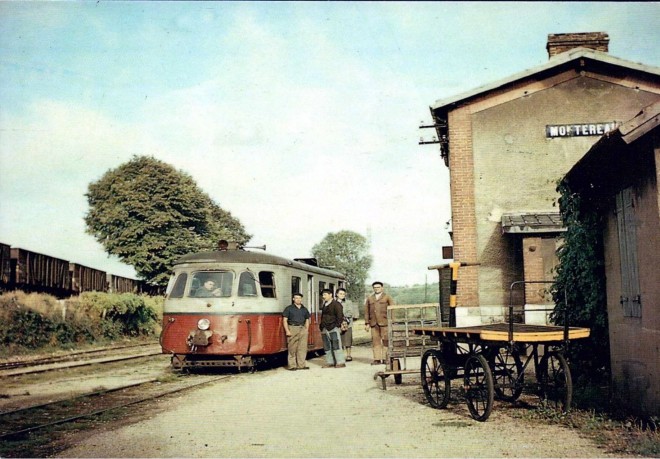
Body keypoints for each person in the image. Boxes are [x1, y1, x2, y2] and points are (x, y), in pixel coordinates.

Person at [364, 281, 394, 365]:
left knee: (386, 341)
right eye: (375, 287)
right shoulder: (370, 298)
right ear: (373, 288)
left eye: (378, 287)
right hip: (374, 323)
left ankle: (385, 359)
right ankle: (377, 359)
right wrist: (367, 323)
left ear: (382, 288)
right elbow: (366, 312)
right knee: (375, 341)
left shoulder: (387, 297)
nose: (377, 289)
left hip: (385, 323)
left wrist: (392, 321)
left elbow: (392, 310)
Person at [282, 293, 310, 370]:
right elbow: (284, 320)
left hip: (302, 328)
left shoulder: (304, 309)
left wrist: (306, 329)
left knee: (302, 348)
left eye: (299, 298)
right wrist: (287, 331)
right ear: (293, 299)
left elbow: (307, 320)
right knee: (292, 348)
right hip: (292, 328)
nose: (298, 299)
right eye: (296, 298)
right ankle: (292, 366)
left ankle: (301, 365)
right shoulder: (289, 308)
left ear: (301, 299)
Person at [319, 288, 346, 368]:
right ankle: (330, 362)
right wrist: (321, 326)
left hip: (333, 327)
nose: (323, 297)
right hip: (324, 328)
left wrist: (337, 325)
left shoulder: (337, 304)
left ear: (330, 295)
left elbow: (340, 316)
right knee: (327, 346)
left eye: (325, 295)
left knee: (336, 345)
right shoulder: (325, 304)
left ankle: (340, 362)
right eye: (323, 295)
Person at [336, 287, 358, 362]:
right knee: (339, 340)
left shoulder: (348, 302)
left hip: (347, 323)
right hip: (337, 323)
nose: (342, 295)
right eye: (340, 294)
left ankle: (348, 355)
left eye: (343, 294)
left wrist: (342, 317)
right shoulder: (334, 302)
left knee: (347, 340)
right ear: (337, 294)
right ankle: (340, 355)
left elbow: (350, 312)